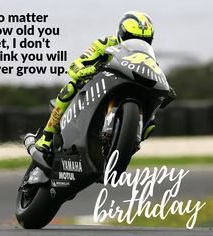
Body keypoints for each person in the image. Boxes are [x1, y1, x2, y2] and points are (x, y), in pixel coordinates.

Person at [36, 11, 176, 152]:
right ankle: (47, 136)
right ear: (121, 34)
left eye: (144, 40)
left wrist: (166, 91)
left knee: (151, 121)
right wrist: (85, 70)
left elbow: (156, 75)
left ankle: (128, 145)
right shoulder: (106, 43)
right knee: (70, 88)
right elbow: (76, 65)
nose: (137, 43)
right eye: (130, 37)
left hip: (130, 88)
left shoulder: (148, 58)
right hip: (97, 86)